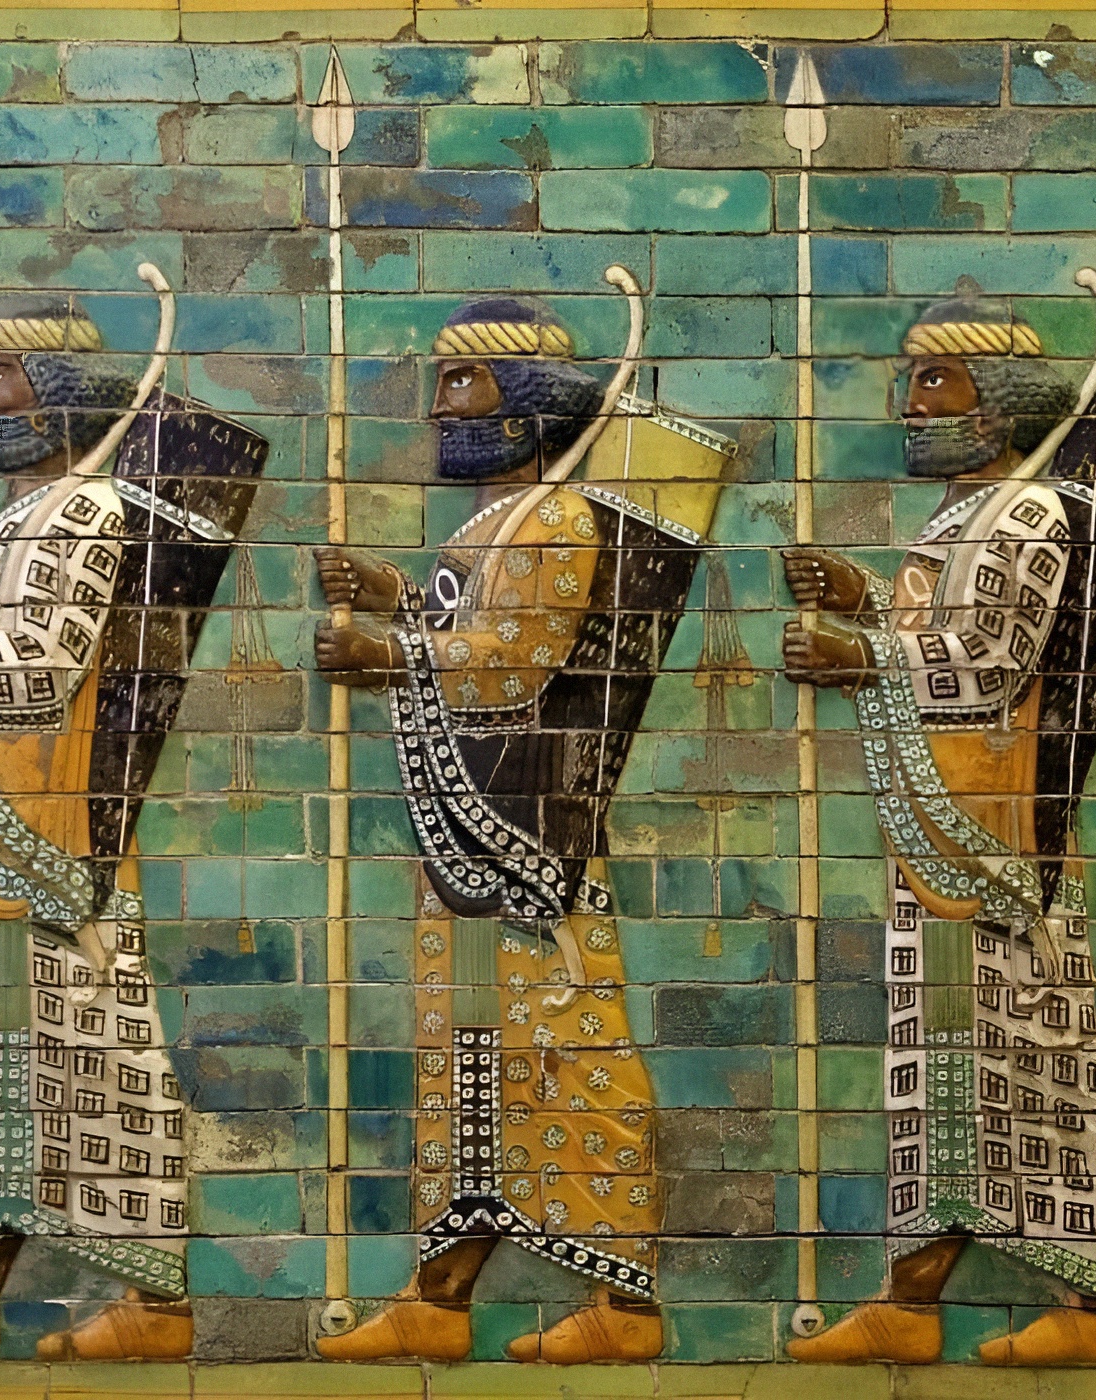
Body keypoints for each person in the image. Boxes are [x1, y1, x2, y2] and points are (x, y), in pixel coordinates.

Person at [781, 288, 1096, 1366]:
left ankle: (1094, 1310)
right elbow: (942, 629)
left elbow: (989, 667)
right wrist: (864, 600)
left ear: (1000, 399)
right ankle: (911, 1296)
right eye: (908, 378)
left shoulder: (1024, 515)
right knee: (942, 1073)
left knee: (1037, 1065)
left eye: (935, 378)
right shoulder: (967, 516)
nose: (910, 401)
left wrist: (861, 652)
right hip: (942, 832)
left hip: (994, 842)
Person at [0, 294, 265, 1360]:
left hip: (55, 839)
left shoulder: (81, 512)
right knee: (5, 1073)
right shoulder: (31, 513)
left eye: (0, 375)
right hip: (3, 831)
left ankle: (156, 1306)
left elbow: (37, 670)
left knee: (99, 1061)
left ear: (60, 393)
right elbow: (0, 627)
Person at [312, 298, 730, 1364]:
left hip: (526, 845)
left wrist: (386, 654)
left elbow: (515, 664)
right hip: (467, 840)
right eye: (441, 383)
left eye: (465, 382)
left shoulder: (556, 521)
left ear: (529, 404)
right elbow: (468, 628)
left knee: (566, 1056)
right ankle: (441, 1293)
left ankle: (625, 1305)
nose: (441, 405)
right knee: (468, 1062)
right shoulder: (492, 524)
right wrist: (395, 597)